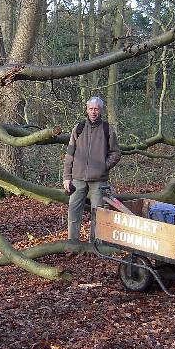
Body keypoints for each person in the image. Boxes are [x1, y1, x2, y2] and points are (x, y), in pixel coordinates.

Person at [63, 96, 122, 243]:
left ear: (100, 110)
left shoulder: (107, 129)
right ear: (87, 109)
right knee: (73, 212)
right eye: (91, 108)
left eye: (96, 109)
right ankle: (72, 243)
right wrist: (66, 177)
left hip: (99, 181)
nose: (93, 112)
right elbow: (70, 153)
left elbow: (116, 153)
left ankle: (94, 246)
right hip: (77, 179)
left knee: (98, 214)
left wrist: (103, 166)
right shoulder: (79, 128)